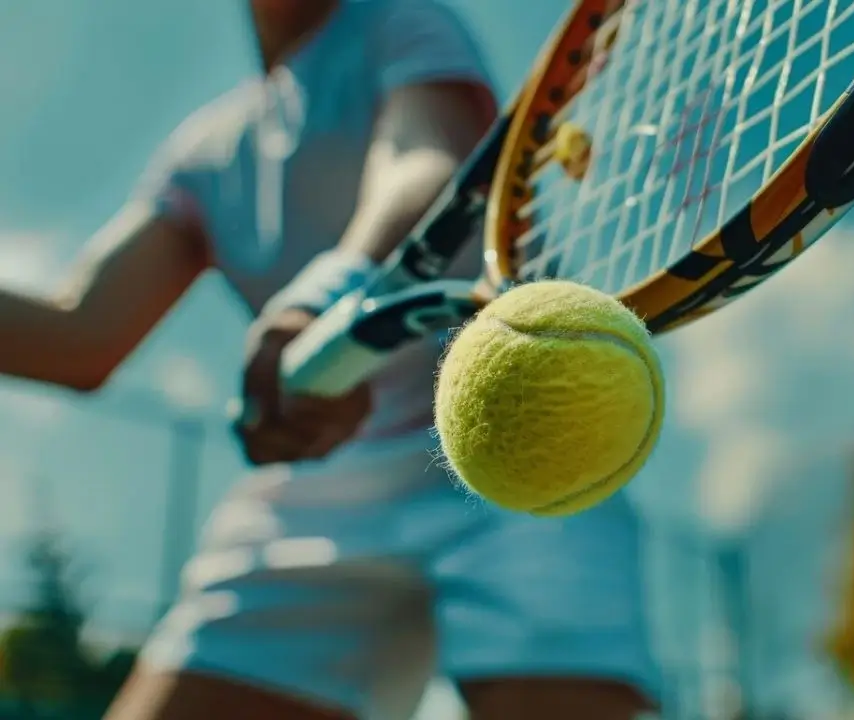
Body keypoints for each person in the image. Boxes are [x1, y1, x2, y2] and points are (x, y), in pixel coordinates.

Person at [0, 1, 659, 719]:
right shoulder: (205, 153)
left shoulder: (400, 25)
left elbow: (425, 160)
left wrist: (330, 293)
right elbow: (79, 335)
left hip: (523, 452)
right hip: (314, 494)